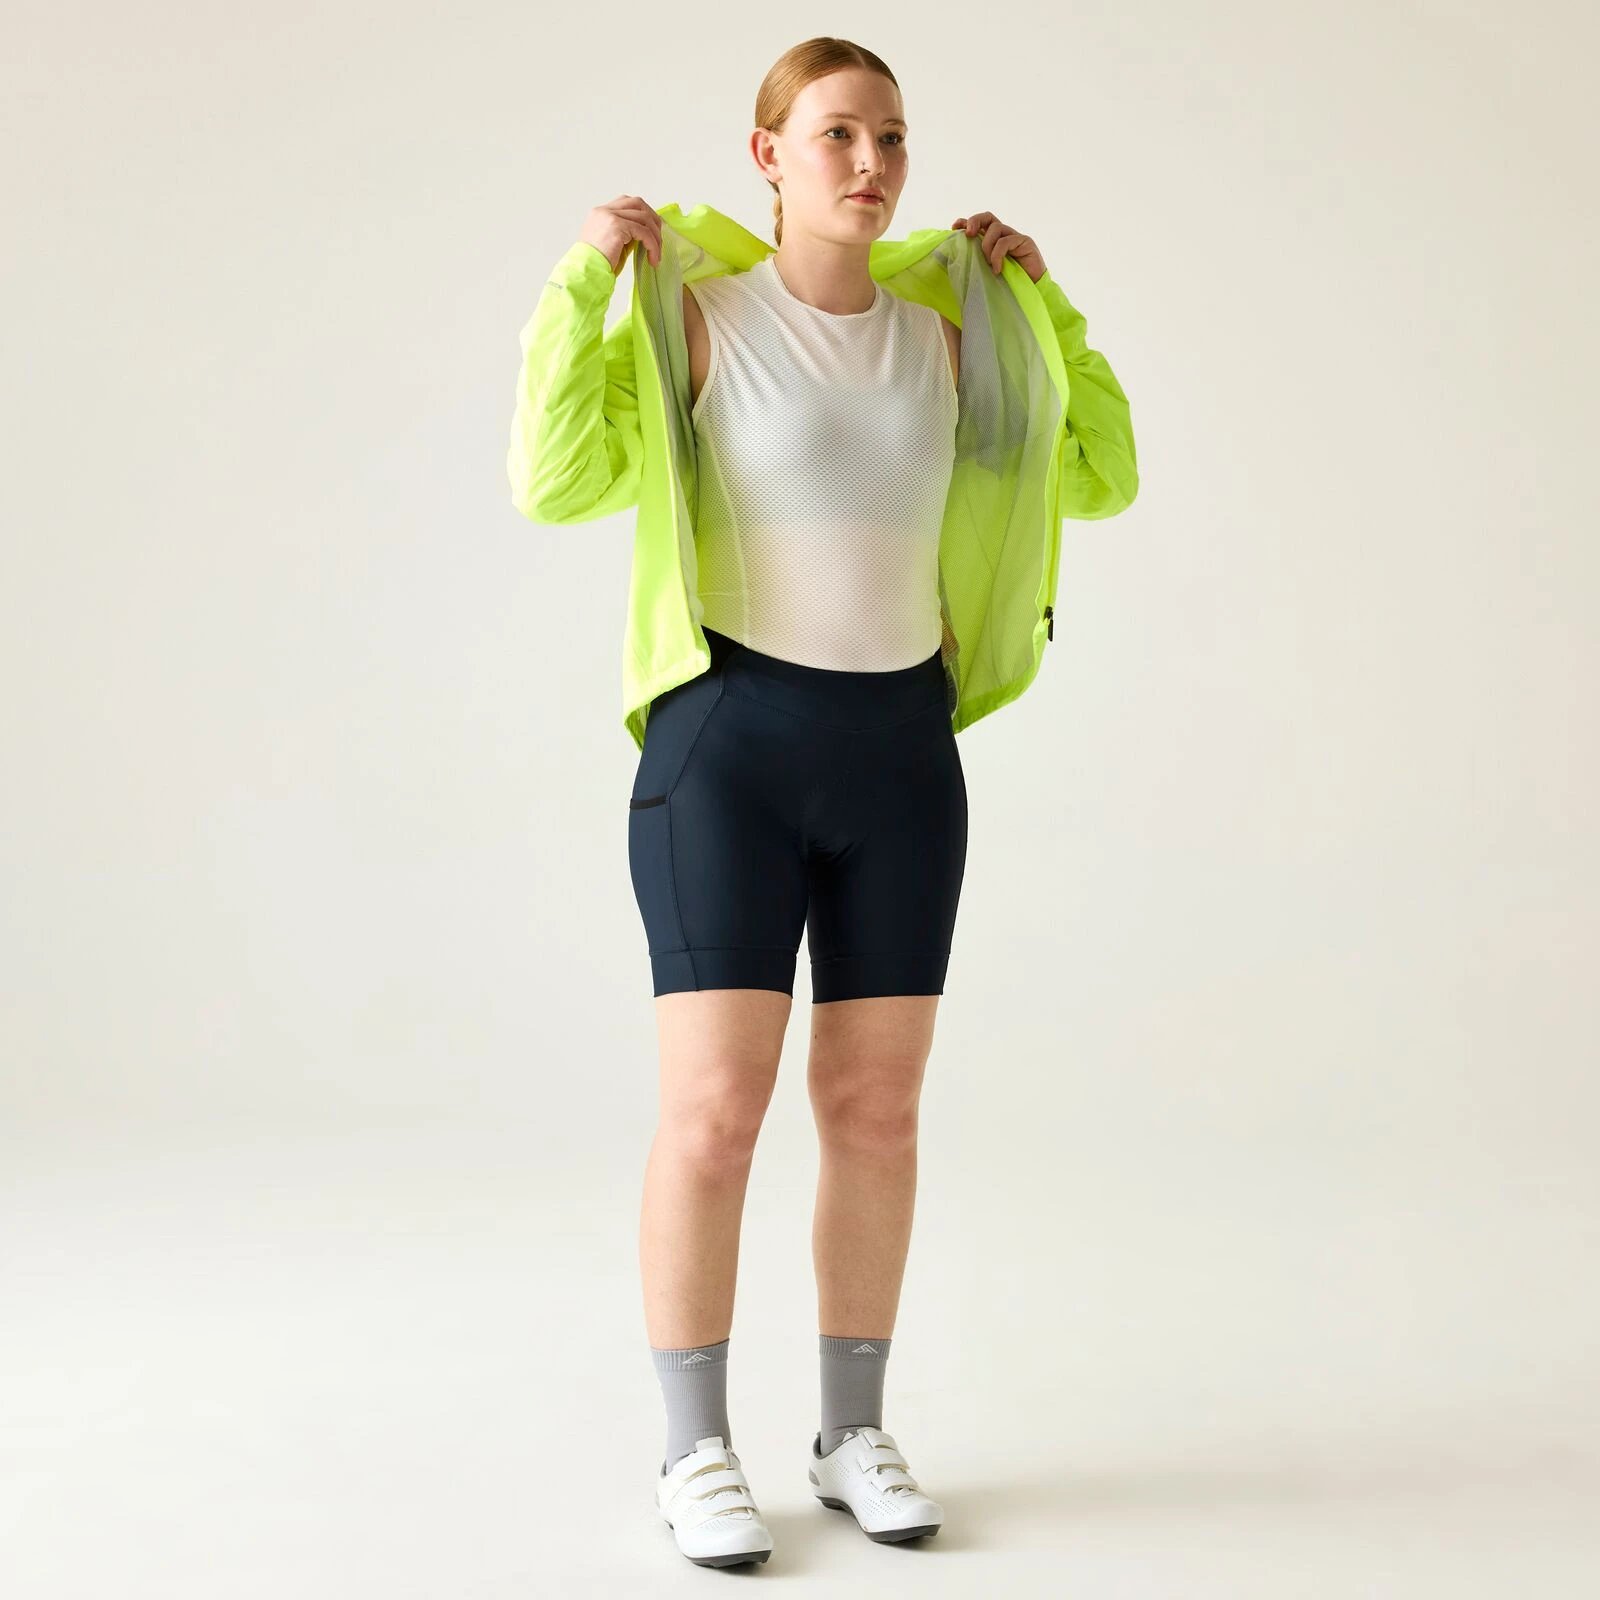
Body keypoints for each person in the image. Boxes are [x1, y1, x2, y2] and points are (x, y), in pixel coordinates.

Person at [506, 35, 1138, 1570]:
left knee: (875, 1108)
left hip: (902, 754)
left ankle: (852, 1434)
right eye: (839, 134)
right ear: (768, 157)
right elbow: (554, 478)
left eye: (892, 138)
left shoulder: (951, 340)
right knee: (715, 1113)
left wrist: (1045, 303)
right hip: (730, 748)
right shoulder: (700, 321)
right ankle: (695, 1450)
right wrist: (582, 284)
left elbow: (1101, 473)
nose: (871, 164)